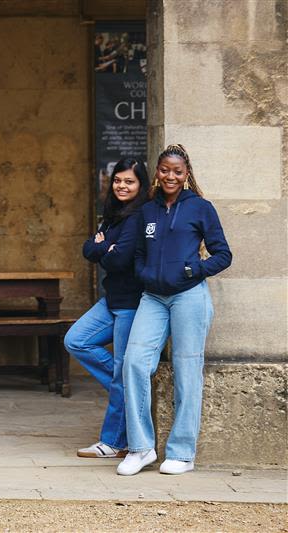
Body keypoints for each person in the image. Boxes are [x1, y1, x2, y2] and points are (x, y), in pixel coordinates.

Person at [117, 144, 232, 476]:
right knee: (134, 362)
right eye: (165, 170)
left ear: (186, 175)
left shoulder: (200, 208)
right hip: (152, 298)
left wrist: (190, 271)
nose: (170, 176)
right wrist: (145, 273)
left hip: (189, 297)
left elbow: (223, 254)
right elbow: (139, 252)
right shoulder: (148, 211)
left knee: (187, 370)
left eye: (177, 171)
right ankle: (141, 449)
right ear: (157, 172)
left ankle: (182, 453)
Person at [65, 158, 150, 459]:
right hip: (111, 299)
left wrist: (104, 247)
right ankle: (124, 388)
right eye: (118, 180)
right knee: (76, 340)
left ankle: (113, 442)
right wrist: (104, 247)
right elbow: (90, 249)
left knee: (121, 373)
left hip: (130, 303)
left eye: (129, 181)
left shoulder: (139, 216)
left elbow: (119, 259)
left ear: (141, 185)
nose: (122, 186)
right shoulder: (113, 214)